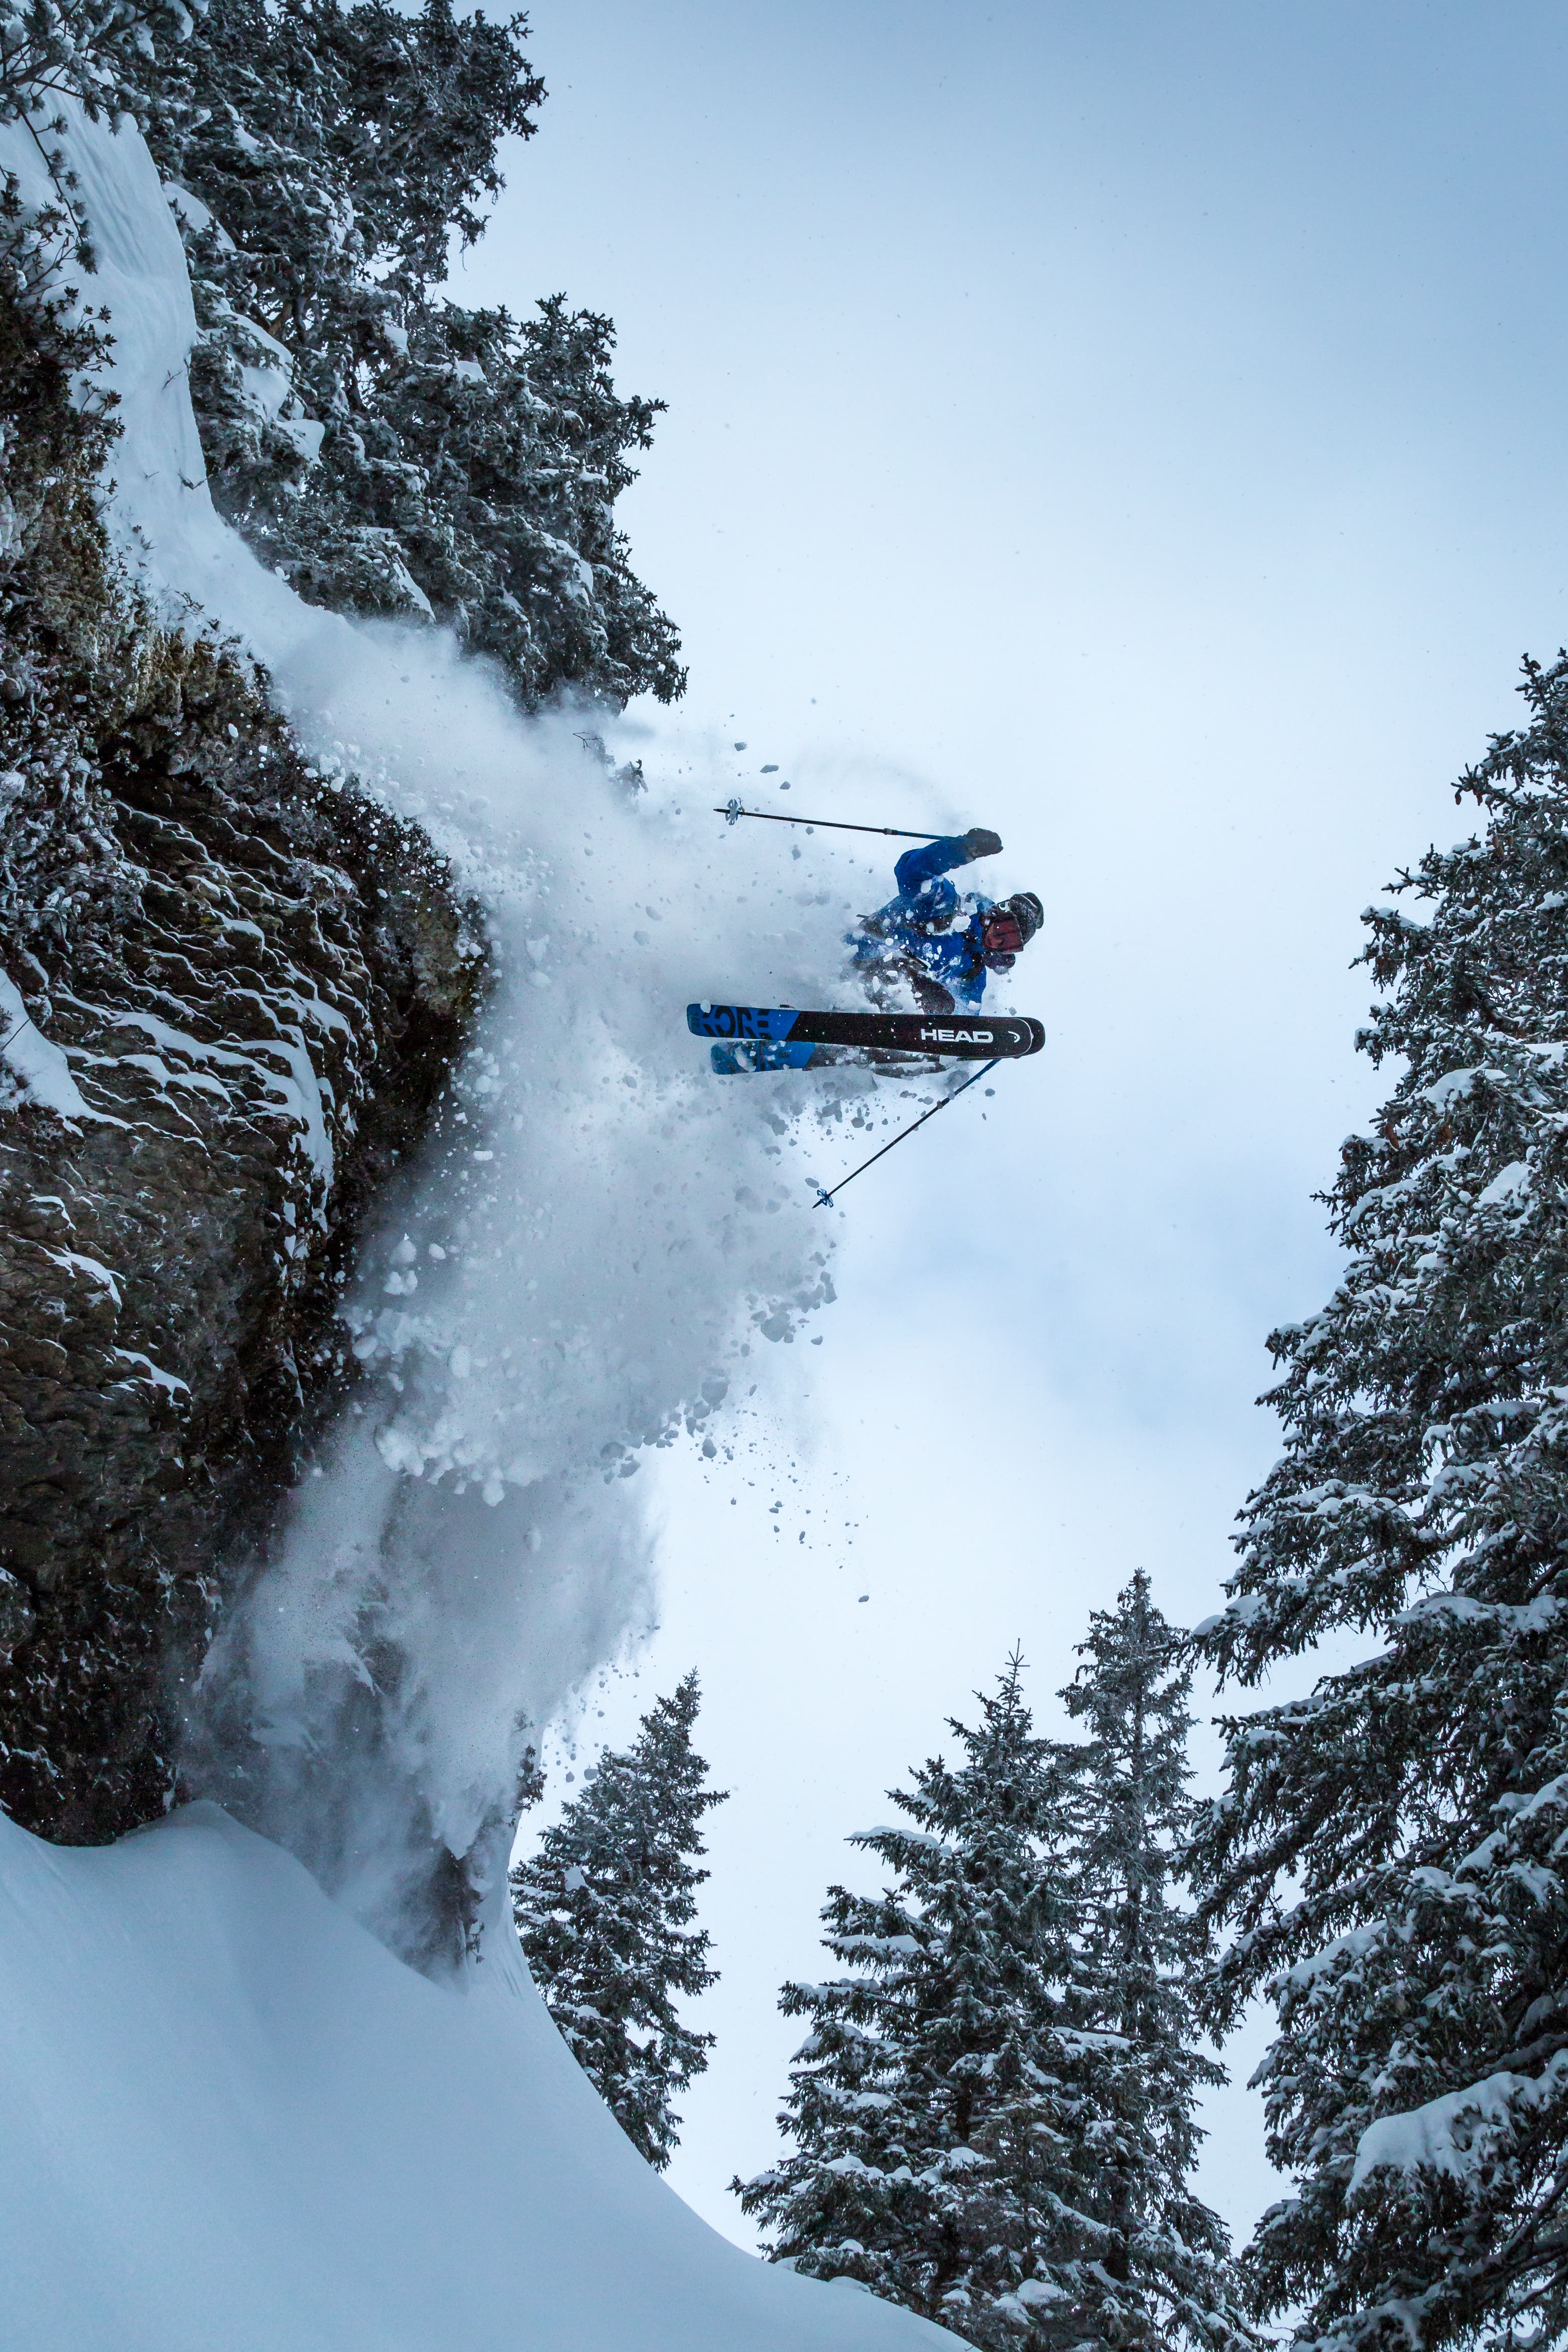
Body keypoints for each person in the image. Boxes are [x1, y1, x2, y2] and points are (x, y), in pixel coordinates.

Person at [848, 827, 1042, 1015]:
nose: (999, 941)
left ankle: (875, 1032)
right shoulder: (946, 907)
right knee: (932, 996)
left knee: (943, 1006)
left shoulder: (973, 971)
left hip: (881, 1000)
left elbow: (965, 1016)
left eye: (1010, 944)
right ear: (997, 913)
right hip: (859, 962)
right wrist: (962, 850)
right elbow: (913, 871)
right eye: (1005, 930)